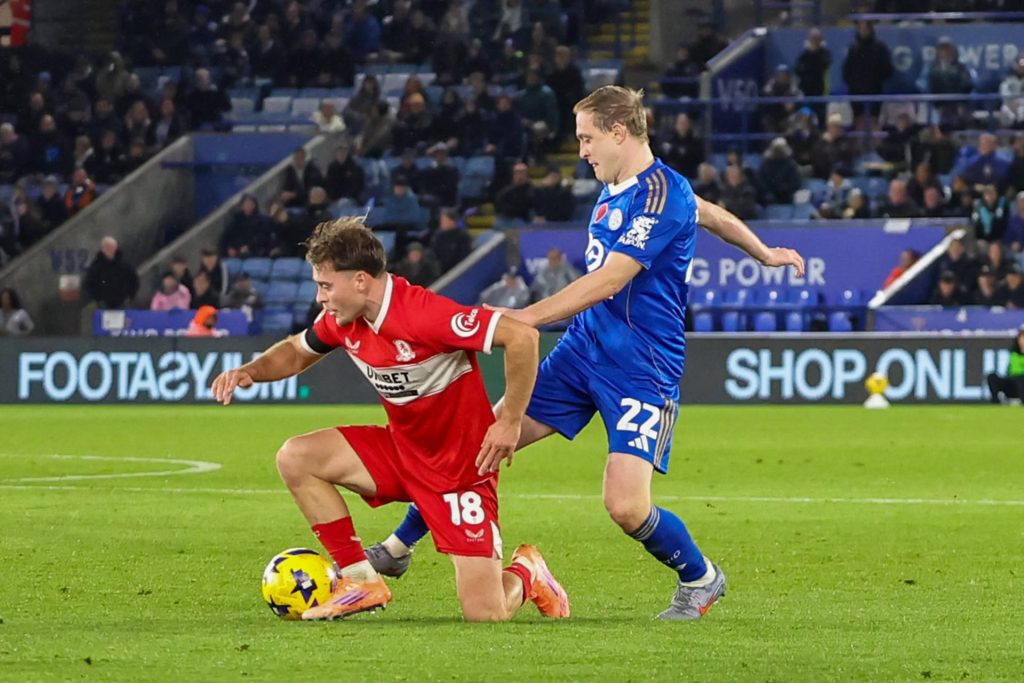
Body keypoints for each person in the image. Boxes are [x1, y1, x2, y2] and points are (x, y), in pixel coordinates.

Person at [371, 85, 805, 620]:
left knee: (626, 506)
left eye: (587, 138)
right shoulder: (621, 185)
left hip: (642, 369)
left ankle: (701, 577)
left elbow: (610, 280)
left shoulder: (660, 196)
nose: (581, 151)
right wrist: (763, 251)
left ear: (619, 133)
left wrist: (526, 318)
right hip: (581, 352)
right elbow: (711, 214)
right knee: (483, 440)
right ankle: (398, 547)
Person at [210, 218, 569, 622]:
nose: (320, 298)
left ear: (360, 280)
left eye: (326, 286)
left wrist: (509, 422)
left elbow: (522, 337)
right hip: (402, 453)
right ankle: (360, 579)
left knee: (486, 614)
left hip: (459, 472)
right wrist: (250, 371)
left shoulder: (423, 315)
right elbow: (296, 351)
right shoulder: (344, 321)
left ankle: (528, 571)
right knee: (296, 457)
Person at [83, 236, 140, 309]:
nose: (110, 250)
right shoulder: (96, 266)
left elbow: (134, 281)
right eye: (107, 248)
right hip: (103, 304)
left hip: (122, 303)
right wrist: (98, 298)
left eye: (112, 247)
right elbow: (89, 284)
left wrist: (130, 296)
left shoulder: (124, 265)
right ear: (103, 249)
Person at [986, 325, 1024, 404]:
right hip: (1013, 384)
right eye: (1021, 339)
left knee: (1021, 378)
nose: (1022, 341)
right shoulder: (1013, 354)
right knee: (991, 376)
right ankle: (996, 402)